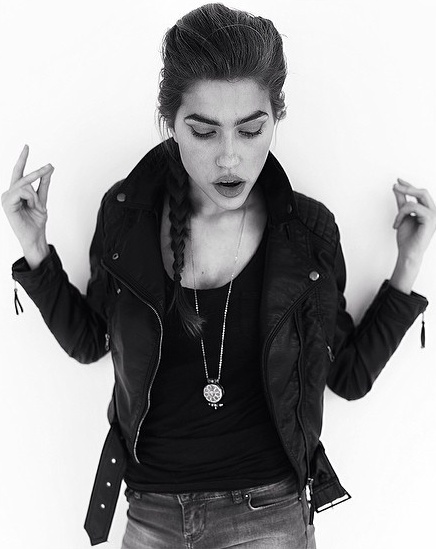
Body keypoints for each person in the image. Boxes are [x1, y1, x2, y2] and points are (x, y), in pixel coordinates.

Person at [2, 3, 435, 548]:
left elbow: (346, 375)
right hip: (151, 512)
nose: (230, 158)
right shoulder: (127, 216)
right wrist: (35, 249)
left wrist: (407, 265)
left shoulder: (307, 234)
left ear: (275, 120)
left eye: (250, 130)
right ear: (171, 124)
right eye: (204, 132)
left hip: (268, 516)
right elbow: (92, 342)